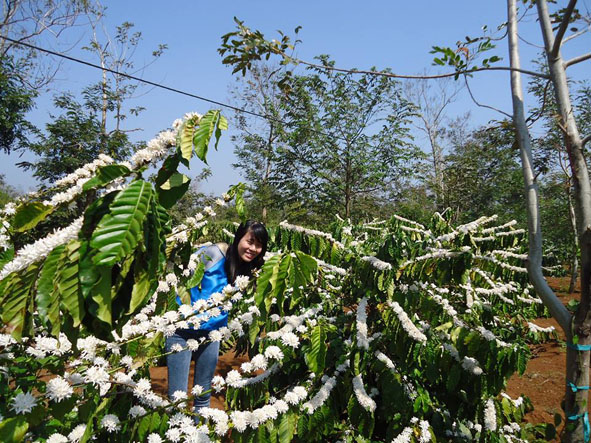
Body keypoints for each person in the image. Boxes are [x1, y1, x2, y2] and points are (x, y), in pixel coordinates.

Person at [166, 220, 268, 417]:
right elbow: (180, 275)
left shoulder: (249, 268)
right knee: (177, 399)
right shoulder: (213, 253)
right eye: (250, 241)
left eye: (258, 245)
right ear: (239, 238)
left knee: (203, 396)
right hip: (181, 331)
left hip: (212, 334)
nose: (253, 248)